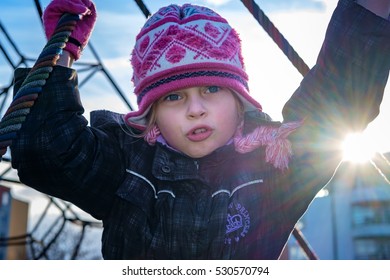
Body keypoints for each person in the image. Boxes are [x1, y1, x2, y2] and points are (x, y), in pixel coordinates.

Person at [8, 0, 390, 259]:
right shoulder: (127, 165)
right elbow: (50, 152)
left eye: (211, 89)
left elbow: (335, 104)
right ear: (152, 113)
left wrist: (370, 11)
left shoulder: (272, 166)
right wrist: (63, 53)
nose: (195, 109)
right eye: (173, 98)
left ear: (239, 100)